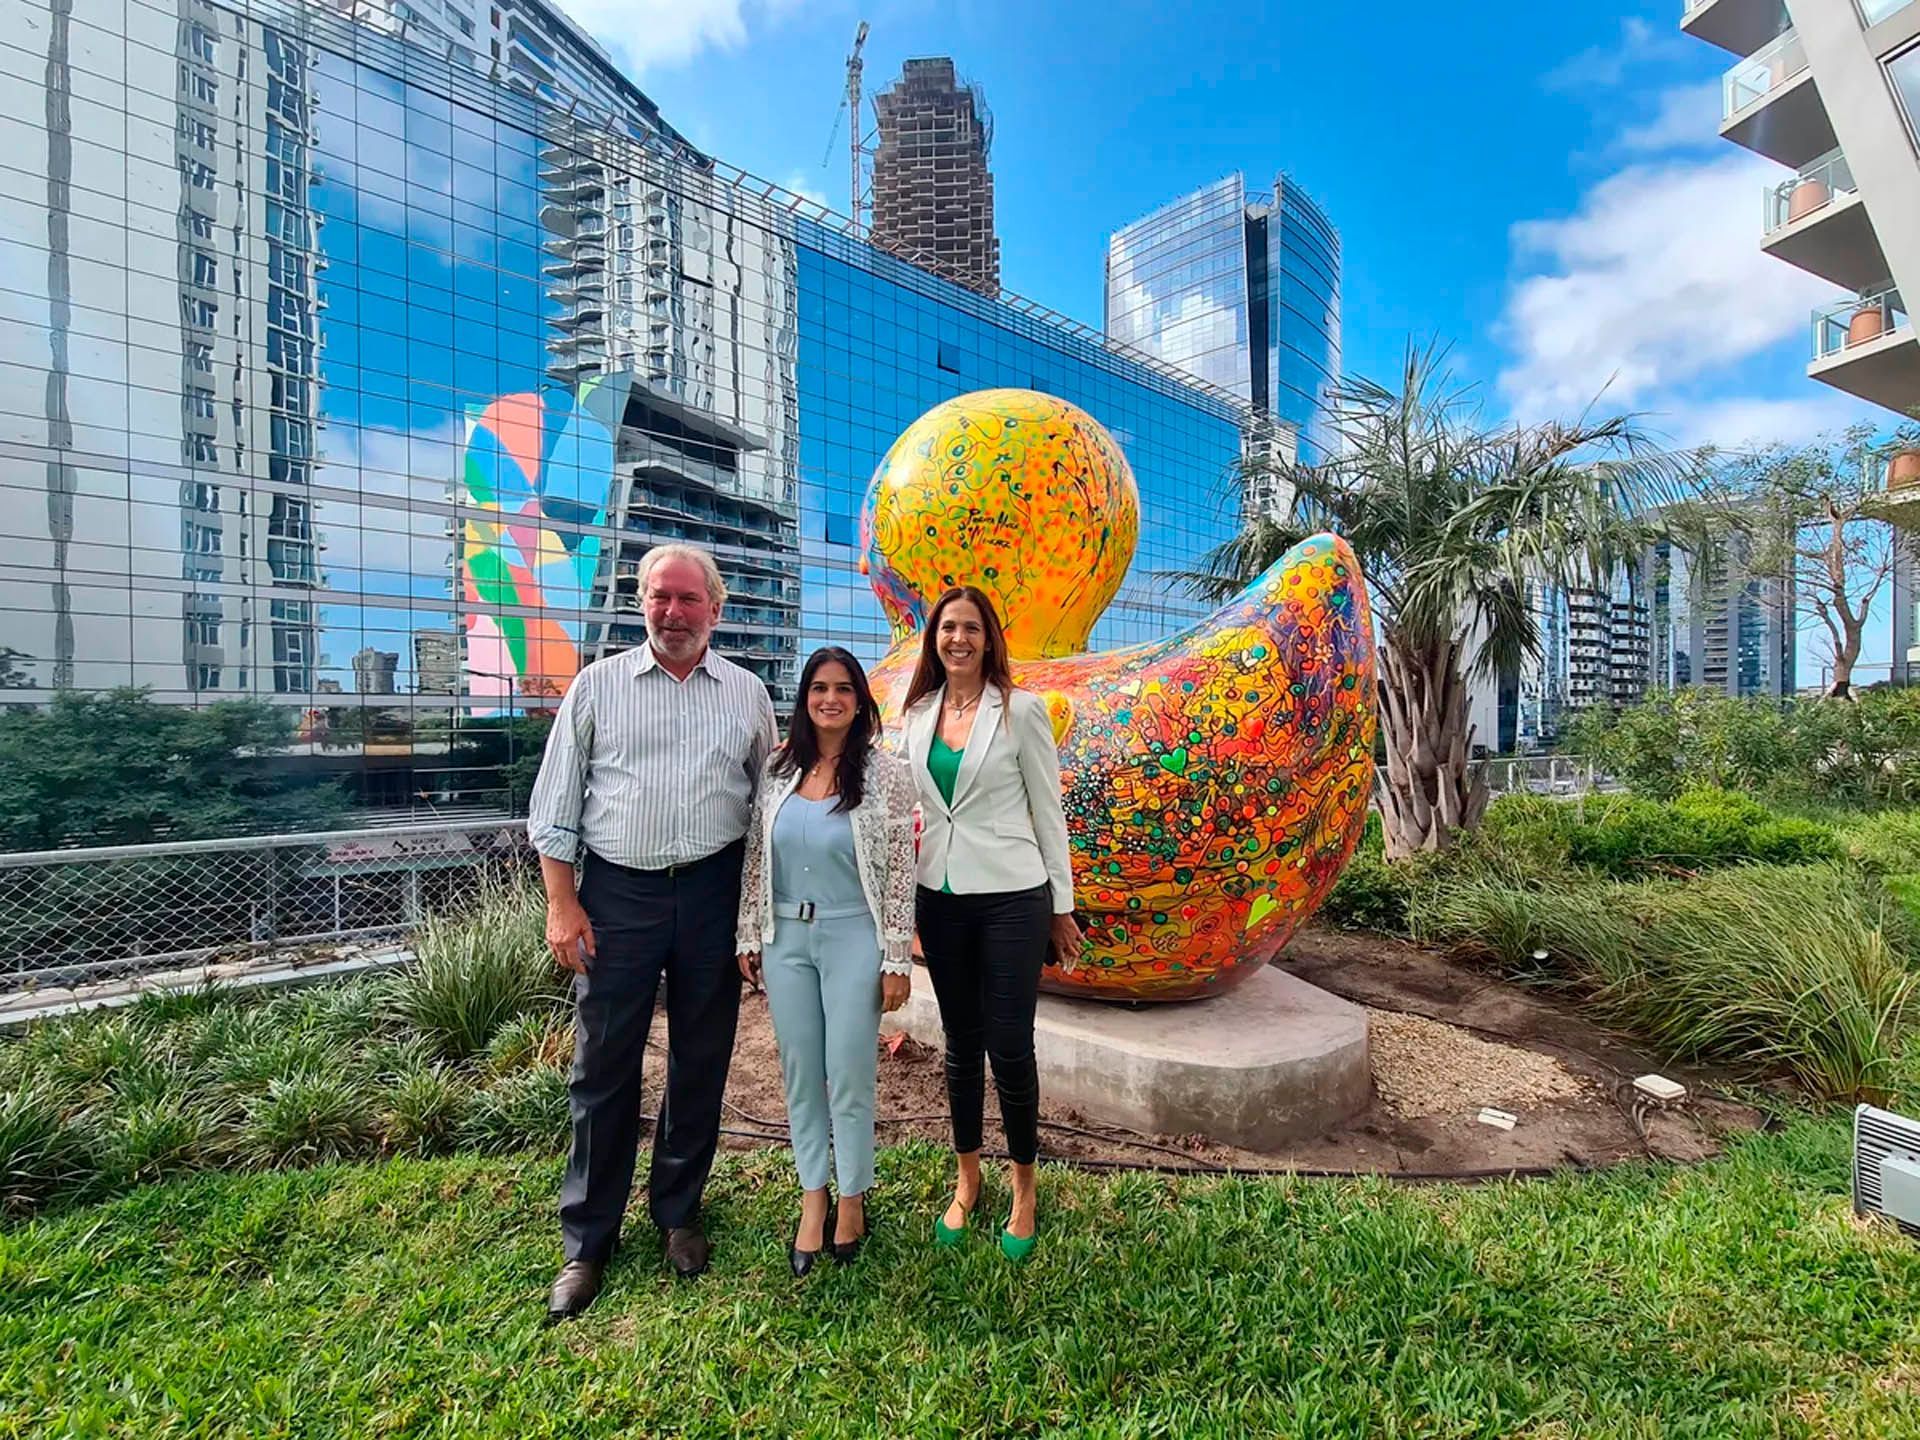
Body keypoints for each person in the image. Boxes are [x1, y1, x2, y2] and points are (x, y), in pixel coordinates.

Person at [528, 543, 775, 1320]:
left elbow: (767, 809)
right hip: (617, 897)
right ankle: (588, 1240)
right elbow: (556, 804)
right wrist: (561, 905)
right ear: (642, 602)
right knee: (603, 1066)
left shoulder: (747, 694)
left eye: (687, 600)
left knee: (701, 1060)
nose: (672, 612)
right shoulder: (599, 686)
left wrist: (754, 917)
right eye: (658, 597)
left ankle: (677, 1212)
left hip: (711, 891)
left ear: (717, 607)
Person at [900, 585, 1080, 1262]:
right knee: (958, 1044)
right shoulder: (916, 713)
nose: (958, 639)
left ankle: (1024, 1188)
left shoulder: (1022, 712)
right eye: (948, 628)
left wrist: (1060, 907)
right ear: (934, 638)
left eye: (971, 628)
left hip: (1012, 896)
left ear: (989, 638)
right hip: (939, 895)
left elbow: (1048, 814)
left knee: (1009, 1044)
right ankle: (967, 1177)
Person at [735, 647, 917, 1276]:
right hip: (786, 939)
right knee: (799, 1074)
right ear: (804, 698)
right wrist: (748, 935)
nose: (830, 699)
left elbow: (900, 875)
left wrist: (898, 956)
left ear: (861, 701)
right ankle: (813, 1195)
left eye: (843, 688)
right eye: (819, 688)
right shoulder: (779, 769)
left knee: (848, 1075)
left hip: (853, 940)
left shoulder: (889, 776)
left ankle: (852, 1197)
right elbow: (758, 856)